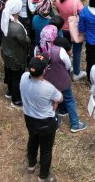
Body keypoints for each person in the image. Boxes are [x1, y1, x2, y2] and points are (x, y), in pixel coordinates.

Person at [21, 54, 63, 182]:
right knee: (46, 150)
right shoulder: (48, 87)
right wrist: (54, 104)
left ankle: (31, 165)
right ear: (44, 70)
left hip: (29, 118)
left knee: (32, 140)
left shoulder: (23, 77)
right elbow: (60, 98)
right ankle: (43, 176)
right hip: (45, 122)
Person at [37, 26, 87, 133]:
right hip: (62, 80)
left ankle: (54, 120)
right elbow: (68, 65)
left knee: (50, 101)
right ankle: (75, 124)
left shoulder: (37, 50)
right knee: (69, 100)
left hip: (46, 82)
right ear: (54, 37)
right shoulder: (59, 50)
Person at [1, 0, 30, 107]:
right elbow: (25, 41)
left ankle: (9, 91)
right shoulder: (16, 27)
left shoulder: (5, 19)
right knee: (17, 77)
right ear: (17, 11)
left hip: (6, 52)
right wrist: (28, 37)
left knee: (8, 72)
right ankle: (16, 100)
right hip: (16, 56)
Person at [55, 0, 85, 80]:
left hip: (63, 28)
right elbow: (83, 14)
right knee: (77, 51)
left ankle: (66, 69)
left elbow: (58, 10)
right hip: (74, 29)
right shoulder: (76, 2)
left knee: (65, 50)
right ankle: (76, 72)